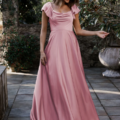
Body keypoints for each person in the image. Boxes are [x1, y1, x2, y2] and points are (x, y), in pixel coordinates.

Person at [30, 0, 109, 120]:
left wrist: (96, 32)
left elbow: (78, 30)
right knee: (54, 80)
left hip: (70, 48)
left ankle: (70, 113)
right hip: (54, 47)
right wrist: (41, 51)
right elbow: (43, 30)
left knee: (70, 80)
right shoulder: (47, 7)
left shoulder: (73, 8)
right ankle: (54, 114)